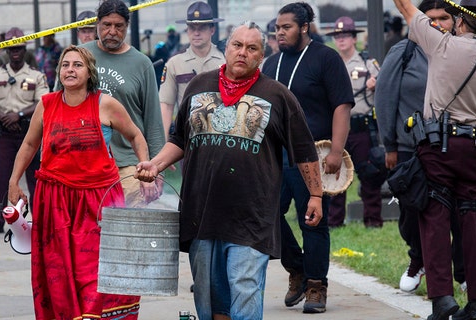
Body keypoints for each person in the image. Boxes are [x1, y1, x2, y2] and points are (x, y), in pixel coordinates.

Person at [135, 21, 323, 320]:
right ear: (226, 48)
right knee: (211, 297)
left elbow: (303, 148)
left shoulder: (277, 95)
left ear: (262, 54)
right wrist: (155, 164)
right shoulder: (198, 87)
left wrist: (315, 194)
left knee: (244, 288)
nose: (243, 53)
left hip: (252, 215)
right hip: (202, 212)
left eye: (252, 48)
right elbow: (180, 139)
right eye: (237, 45)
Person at [8, 44, 148, 320]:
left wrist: (144, 166)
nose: (70, 70)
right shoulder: (46, 104)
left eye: (77, 65)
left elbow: (135, 135)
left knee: (95, 270)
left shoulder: (105, 103)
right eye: (65, 65)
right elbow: (29, 144)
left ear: (89, 72)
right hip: (55, 200)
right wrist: (13, 182)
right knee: (59, 270)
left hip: (99, 200)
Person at [393, 0, 476, 319]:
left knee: (434, 217)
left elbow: (404, 7)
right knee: (475, 218)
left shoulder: (440, 44)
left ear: (461, 21)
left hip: (439, 145)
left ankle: (442, 301)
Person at [261, 2, 353, 313]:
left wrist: (337, 151)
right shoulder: (270, 64)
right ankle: (297, 268)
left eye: (286, 27)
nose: (280, 33)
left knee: (312, 221)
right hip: (276, 155)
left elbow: (342, 105)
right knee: (266, 212)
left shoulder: (326, 58)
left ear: (304, 27)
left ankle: (316, 286)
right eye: (277, 28)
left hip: (314, 154)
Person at [374, 0, 467, 294]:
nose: (438, 23)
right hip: (409, 147)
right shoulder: (403, 52)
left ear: (456, 22)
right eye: (430, 18)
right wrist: (389, 145)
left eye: (444, 18)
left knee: (459, 212)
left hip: (453, 144)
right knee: (412, 211)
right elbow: (385, 99)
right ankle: (418, 260)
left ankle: (462, 270)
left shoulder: (463, 53)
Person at [81, 0, 164, 206]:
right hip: (84, 163)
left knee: (129, 232)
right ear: (97, 24)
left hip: (129, 166)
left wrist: (157, 167)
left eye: (119, 26)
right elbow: (57, 108)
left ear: (127, 27)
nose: (112, 31)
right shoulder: (80, 56)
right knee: (88, 234)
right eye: (106, 25)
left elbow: (152, 119)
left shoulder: (141, 63)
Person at [0, 27, 49, 235]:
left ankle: (41, 220)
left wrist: (18, 115)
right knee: (0, 179)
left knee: (36, 179)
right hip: (4, 133)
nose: (15, 52)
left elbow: (42, 101)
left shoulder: (36, 76)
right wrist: (4, 116)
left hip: (30, 133)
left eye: (19, 48)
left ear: (24, 48)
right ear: (6, 51)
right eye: (11, 49)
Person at [325, 16, 384, 229]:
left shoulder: (368, 63)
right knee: (335, 174)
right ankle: (334, 222)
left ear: (353, 38)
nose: (341, 40)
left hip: (361, 127)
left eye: (345, 36)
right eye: (337, 36)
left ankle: (373, 222)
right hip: (336, 129)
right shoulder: (330, 63)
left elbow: (384, 90)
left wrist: (376, 84)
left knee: (368, 175)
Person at [160, 1, 225, 140]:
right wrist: (163, 144)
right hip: (187, 136)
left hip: (220, 135)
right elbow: (166, 105)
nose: (196, 33)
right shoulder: (175, 63)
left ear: (212, 29)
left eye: (202, 28)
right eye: (192, 27)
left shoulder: (225, 60)